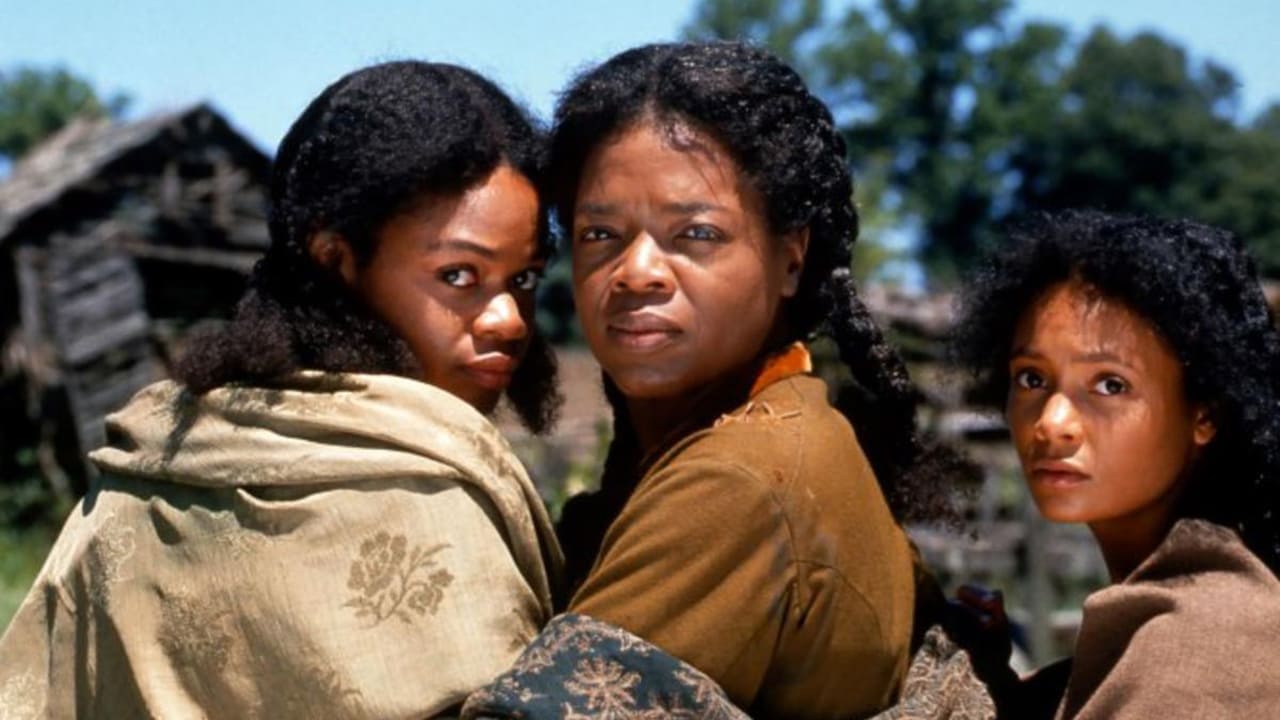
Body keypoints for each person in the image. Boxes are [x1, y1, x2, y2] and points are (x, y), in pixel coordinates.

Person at [0, 60, 564, 718]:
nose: (509, 318)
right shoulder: (427, 496)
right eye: (460, 276)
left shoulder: (148, 467)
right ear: (337, 259)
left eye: (523, 278)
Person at [538, 41, 966, 720]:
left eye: (696, 234)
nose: (636, 270)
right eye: (599, 234)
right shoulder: (765, 433)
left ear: (790, 258)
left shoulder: (737, 484)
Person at [951, 209, 1280, 718]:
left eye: (1110, 384)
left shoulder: (1202, 652)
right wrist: (998, 686)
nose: (1052, 422)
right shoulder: (1166, 626)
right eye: (1031, 379)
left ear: (1205, 415)